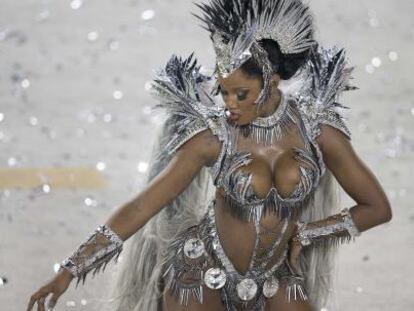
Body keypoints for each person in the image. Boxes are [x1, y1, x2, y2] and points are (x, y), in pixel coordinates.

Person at [26, 0, 392, 310]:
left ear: (272, 80)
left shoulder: (317, 131)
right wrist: (67, 273)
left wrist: (310, 233)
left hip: (276, 276)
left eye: (241, 94)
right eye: (223, 92)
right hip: (200, 273)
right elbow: (141, 207)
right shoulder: (213, 137)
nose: (228, 105)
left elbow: (376, 208)